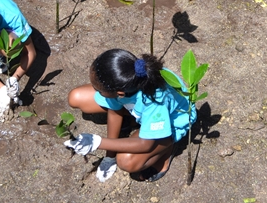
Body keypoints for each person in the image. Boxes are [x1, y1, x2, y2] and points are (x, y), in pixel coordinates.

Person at [66, 49, 196, 182]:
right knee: (76, 97)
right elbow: (114, 111)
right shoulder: (126, 77)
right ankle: (135, 119)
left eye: (99, 90)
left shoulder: (156, 100)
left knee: (126, 161)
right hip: (140, 106)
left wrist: (98, 142)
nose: (95, 91)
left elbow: (145, 145)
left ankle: (166, 150)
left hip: (170, 123)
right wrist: (109, 156)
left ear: (119, 92)